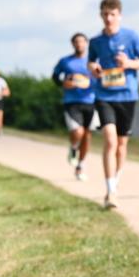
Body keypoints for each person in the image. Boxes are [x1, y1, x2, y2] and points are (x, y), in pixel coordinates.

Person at [88, 0, 139, 209]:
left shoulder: (132, 37)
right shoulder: (96, 42)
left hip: (127, 96)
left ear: (119, 16)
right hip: (104, 95)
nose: (108, 18)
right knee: (110, 141)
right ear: (100, 15)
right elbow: (91, 62)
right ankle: (110, 191)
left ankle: (116, 179)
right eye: (105, 14)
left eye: (112, 14)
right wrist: (93, 69)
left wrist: (129, 63)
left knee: (122, 145)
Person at [52, 33, 97, 181]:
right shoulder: (65, 61)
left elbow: (101, 76)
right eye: (76, 42)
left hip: (91, 101)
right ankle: (73, 148)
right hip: (72, 101)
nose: (79, 44)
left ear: (86, 43)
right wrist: (63, 83)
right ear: (73, 44)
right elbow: (55, 77)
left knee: (87, 135)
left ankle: (81, 166)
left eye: (82, 42)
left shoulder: (93, 61)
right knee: (78, 132)